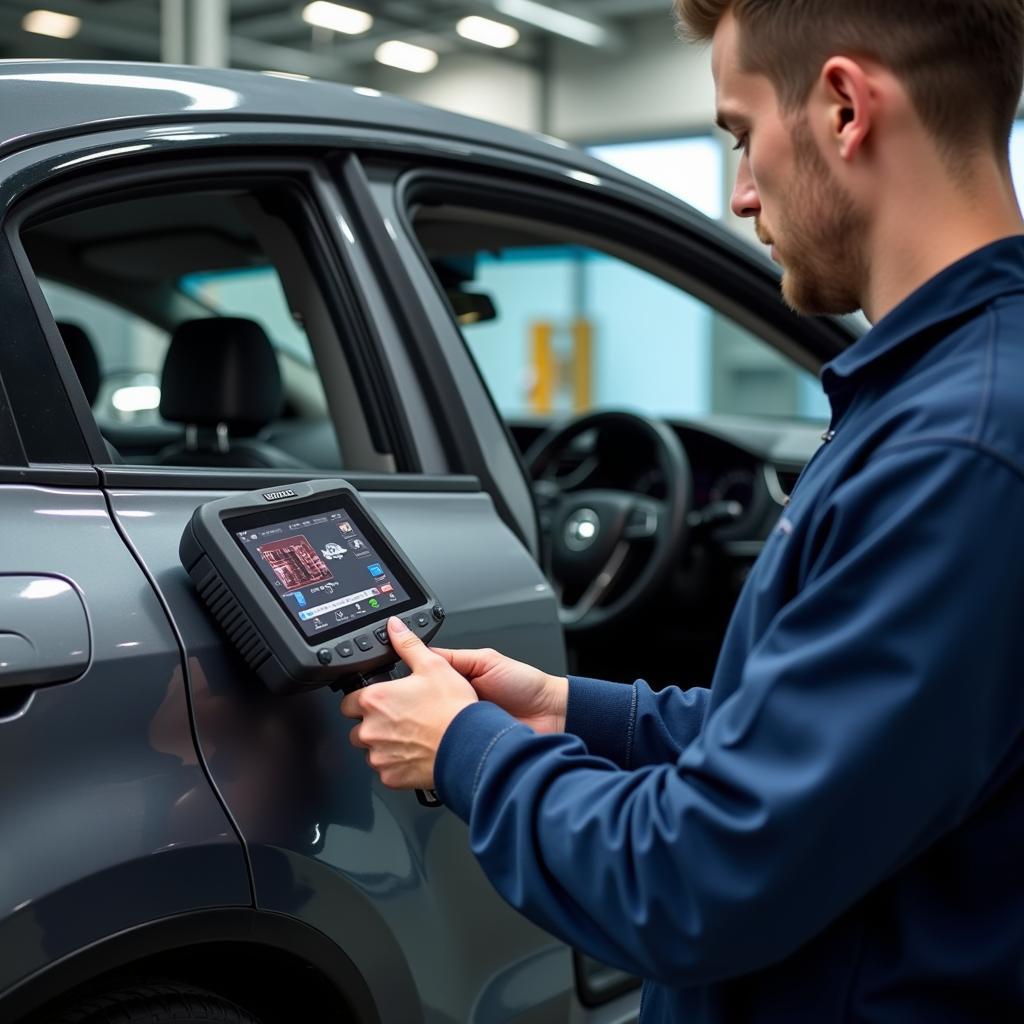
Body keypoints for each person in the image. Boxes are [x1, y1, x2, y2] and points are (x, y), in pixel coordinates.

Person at [341, 1, 1024, 1019]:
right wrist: (572, 709)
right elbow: (810, 741)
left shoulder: (956, 451)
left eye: (742, 136)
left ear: (842, 107)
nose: (741, 193)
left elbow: (699, 879)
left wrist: (466, 750)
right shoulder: (948, 401)